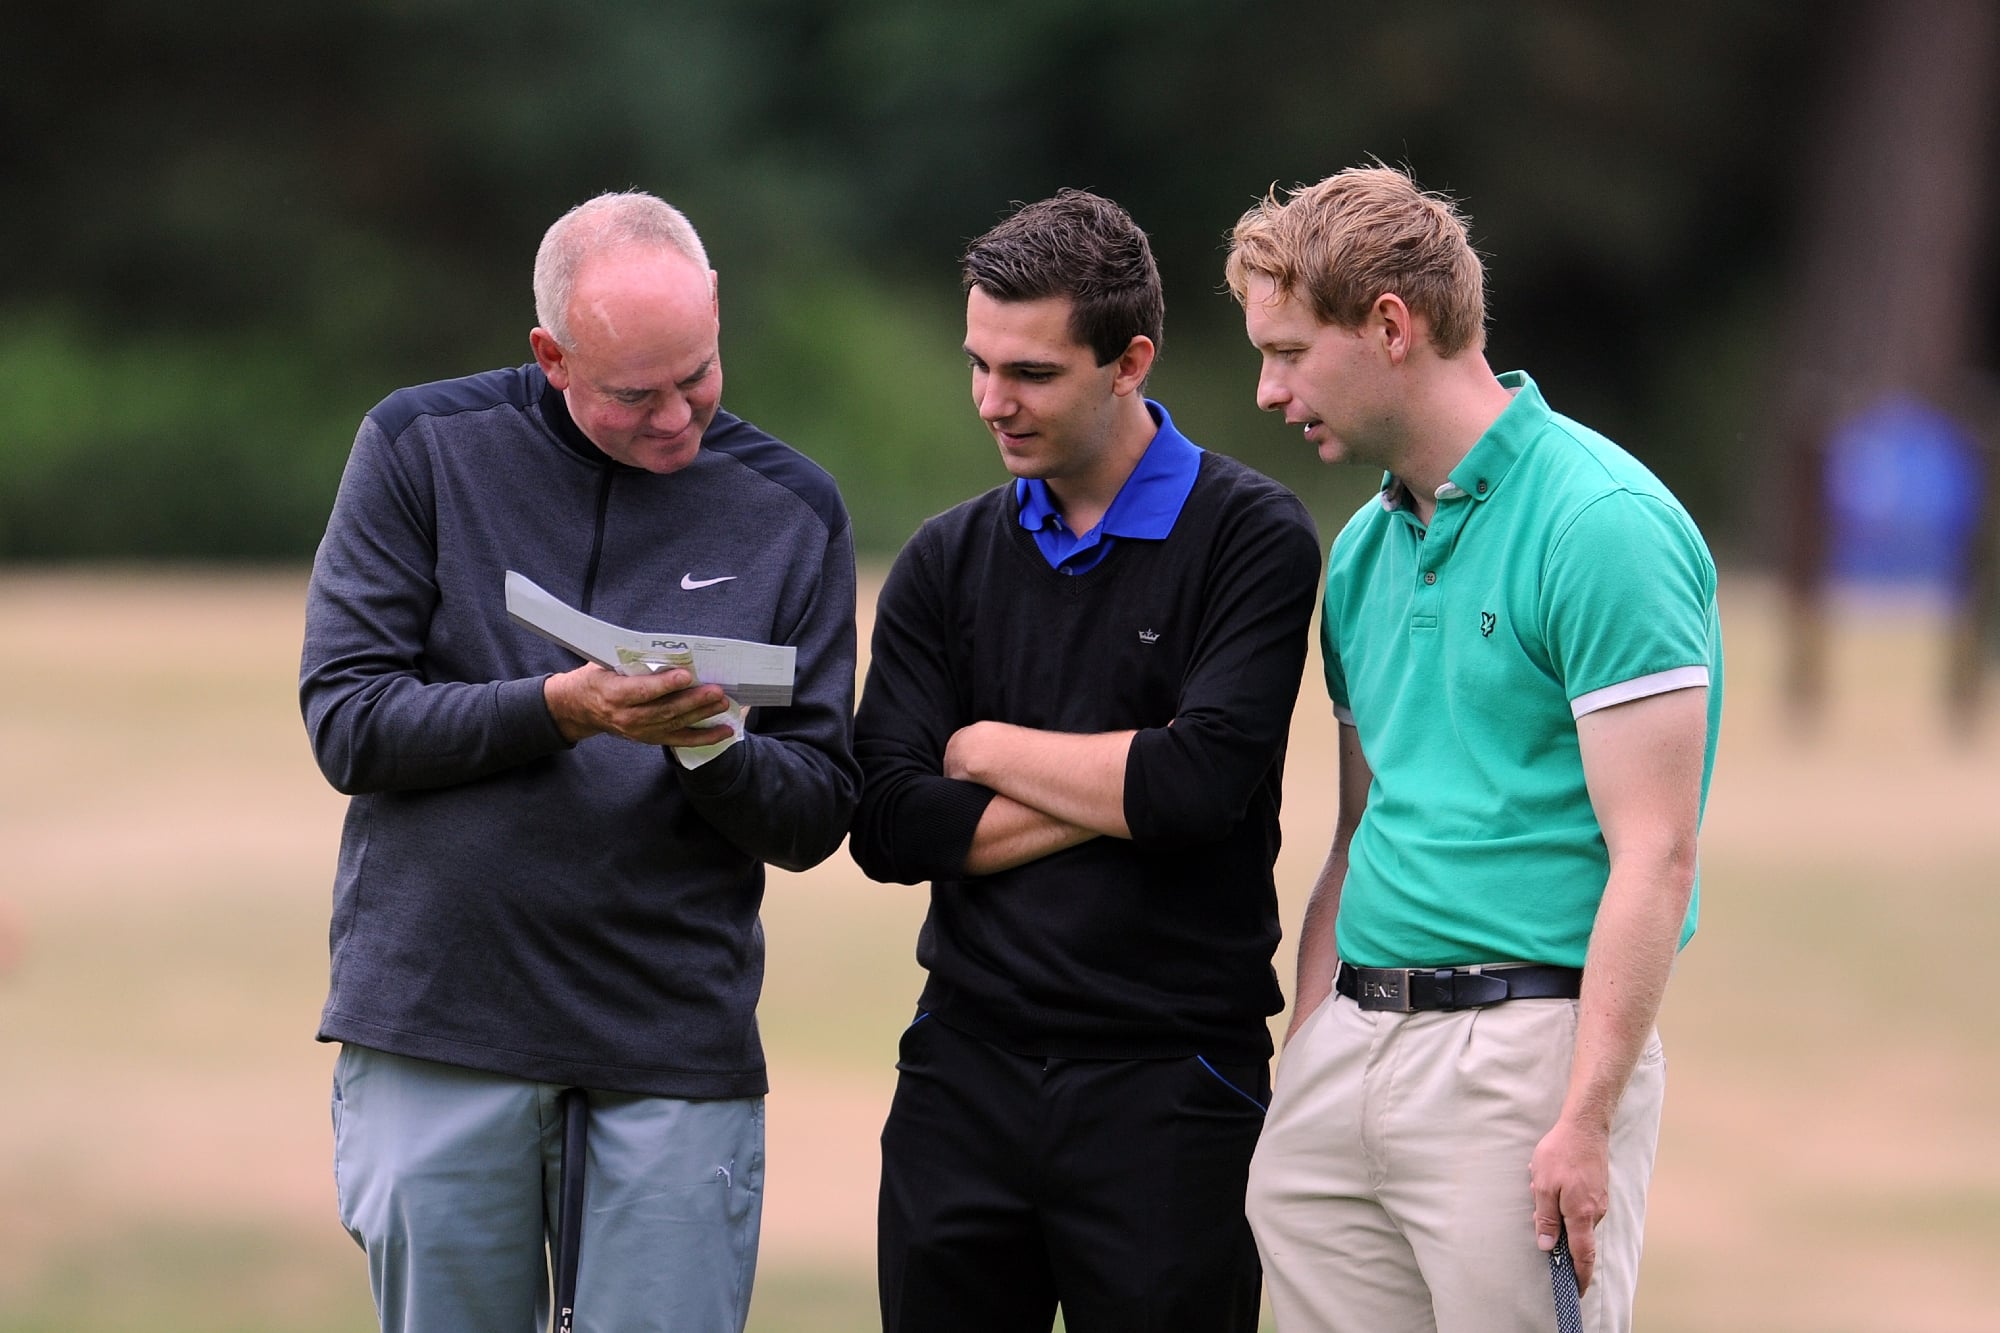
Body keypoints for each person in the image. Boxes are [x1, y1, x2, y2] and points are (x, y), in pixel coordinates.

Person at [299, 191, 860, 1333]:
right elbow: (348, 721)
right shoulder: (419, 448)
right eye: (632, 394)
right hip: (439, 1020)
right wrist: (559, 708)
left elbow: (814, 813)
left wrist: (709, 747)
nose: (675, 418)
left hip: (671, 1038)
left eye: (696, 375)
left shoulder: (791, 507)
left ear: (715, 316)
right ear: (551, 356)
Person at [1227, 165, 1723, 1332]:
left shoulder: (1601, 525)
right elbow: (1356, 829)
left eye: (1288, 351)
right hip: (1351, 1047)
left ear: (1388, 326)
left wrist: (1585, 1114)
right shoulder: (1356, 554)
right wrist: (1310, 1049)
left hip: (1523, 1063)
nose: (1264, 388)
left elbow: (1653, 854)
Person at [848, 189, 1323, 1332]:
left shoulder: (1253, 538)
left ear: (1128, 361)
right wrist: (1132, 782)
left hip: (1173, 1086)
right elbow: (886, 824)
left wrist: (986, 747)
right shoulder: (941, 561)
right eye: (978, 365)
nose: (990, 402)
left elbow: (1199, 789)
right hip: (959, 1074)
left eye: (1029, 374)